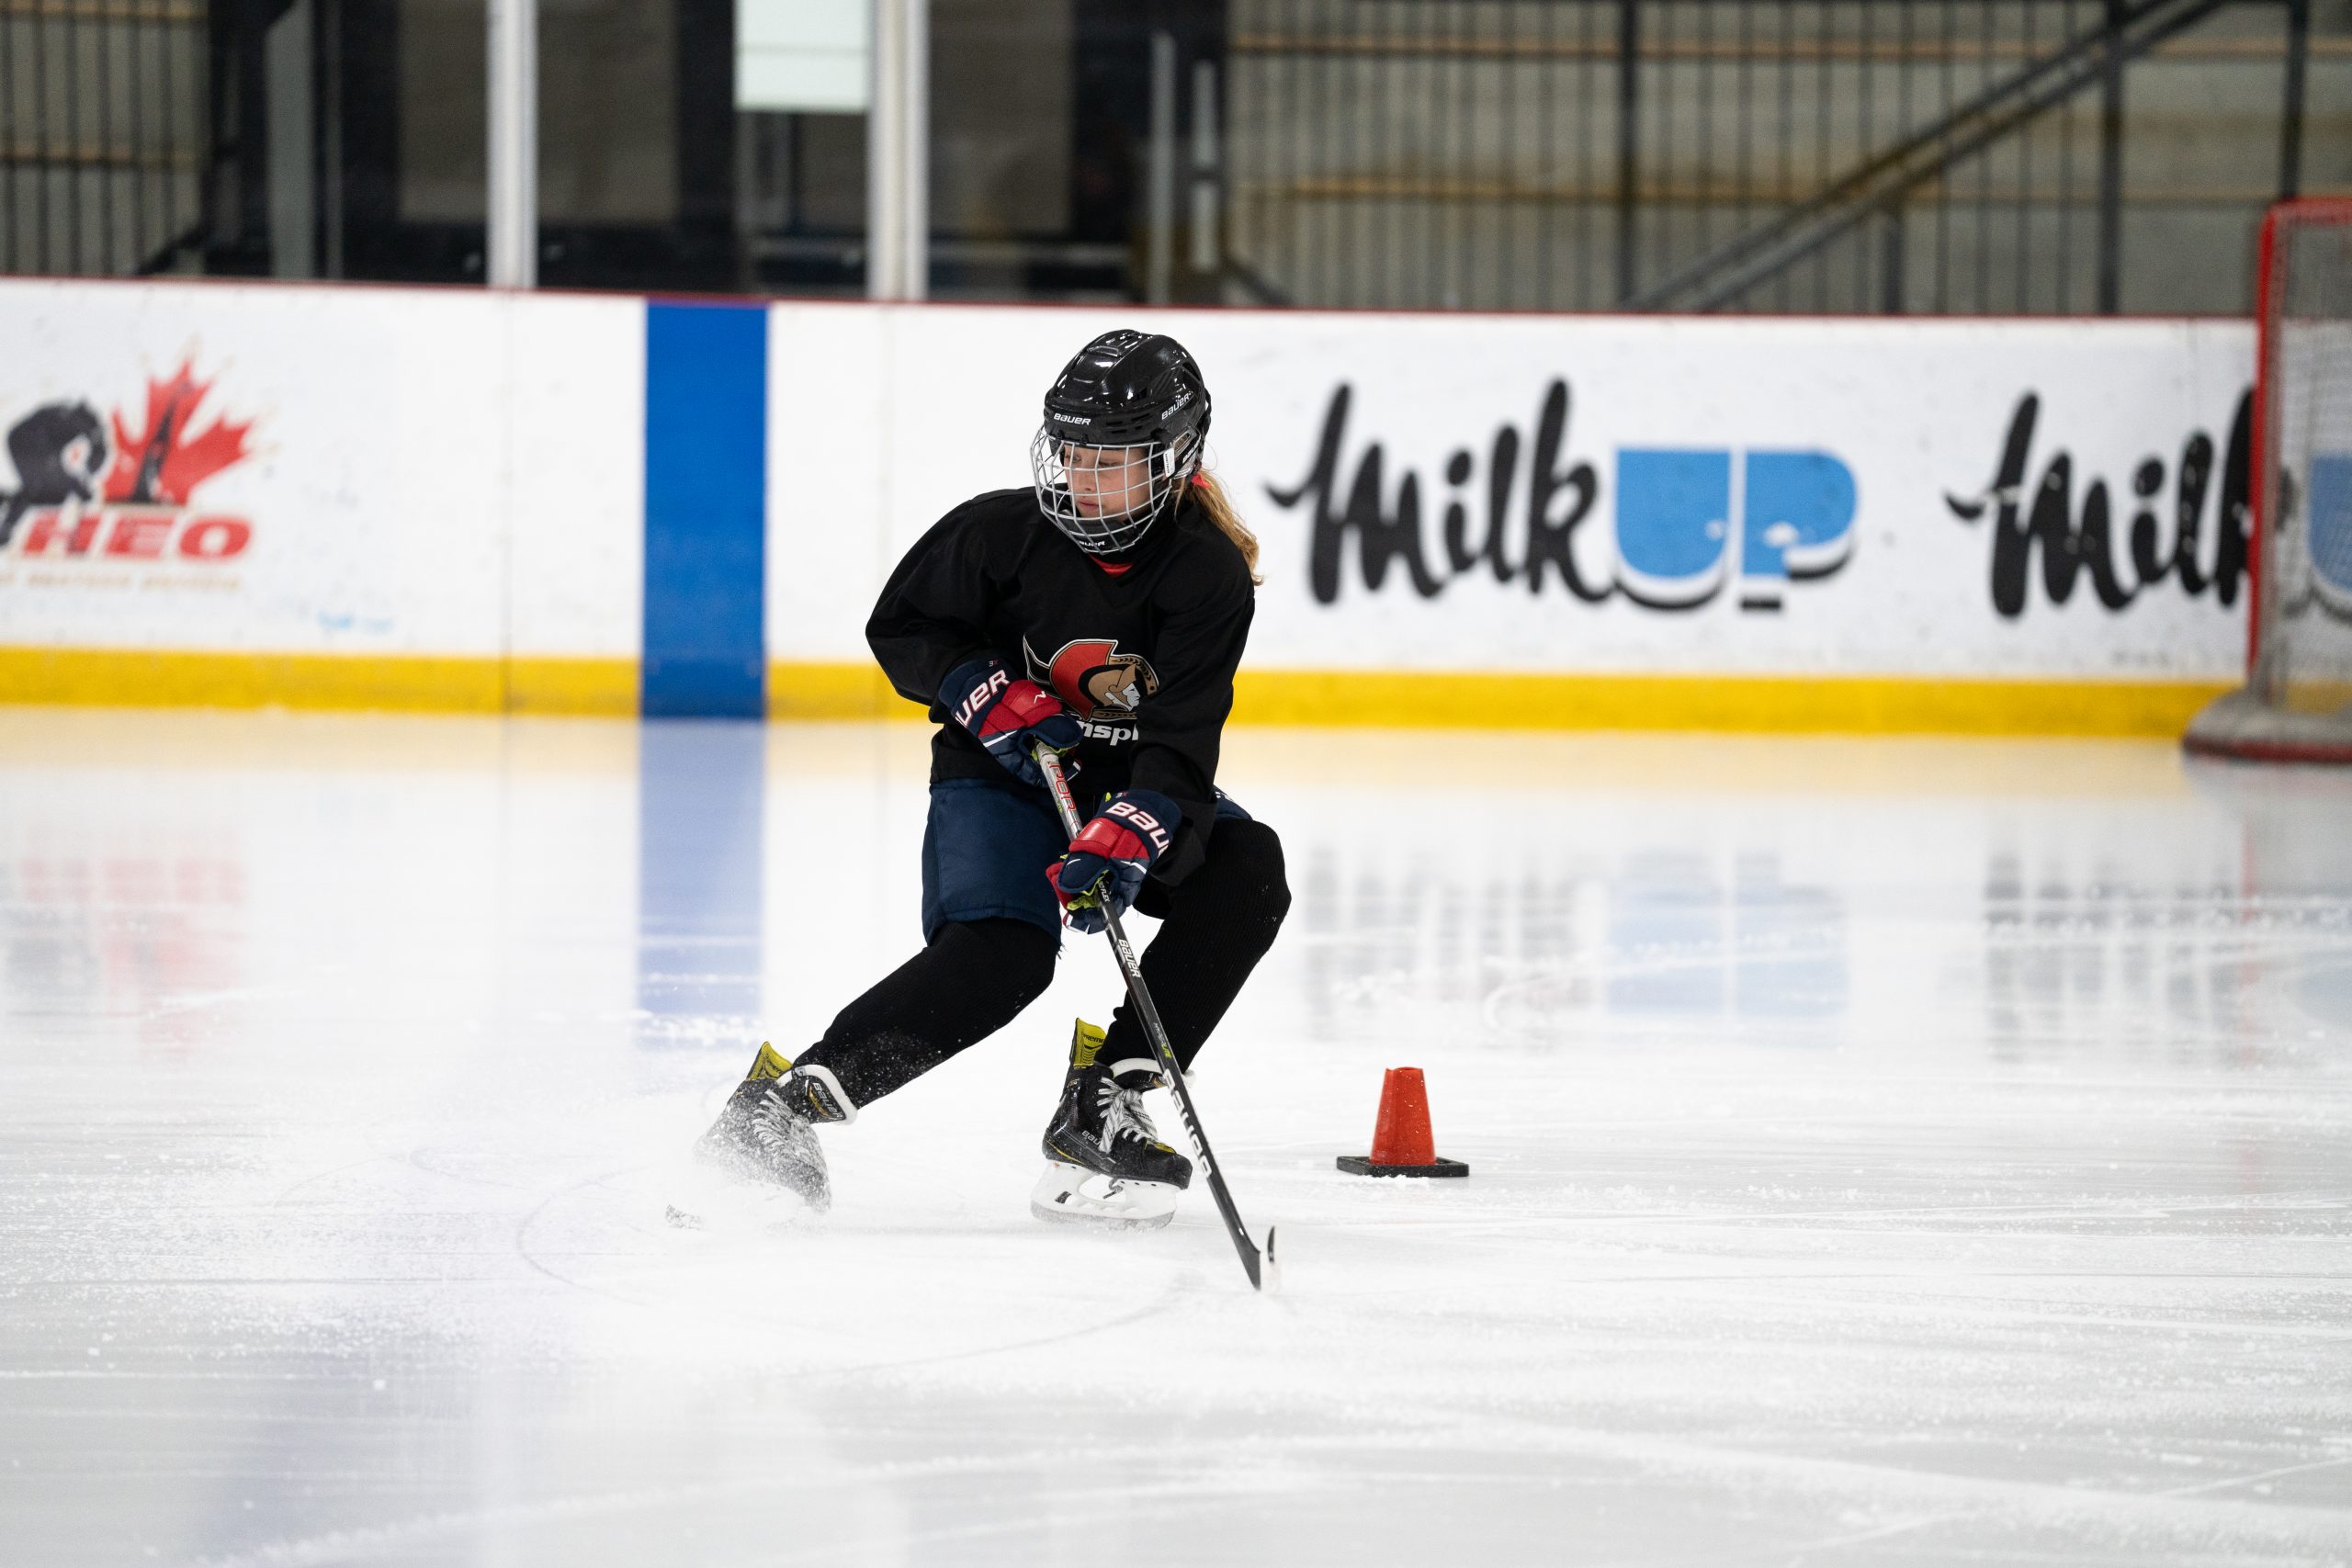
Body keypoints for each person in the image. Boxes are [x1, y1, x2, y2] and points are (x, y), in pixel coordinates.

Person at [695, 330, 1291, 1229]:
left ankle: (1106, 1098)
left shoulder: (1205, 575)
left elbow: (1181, 741)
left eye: (1114, 462)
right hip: (999, 775)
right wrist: (977, 688)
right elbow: (903, 630)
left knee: (1247, 869)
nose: (1086, 479)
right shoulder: (997, 533)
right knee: (1001, 953)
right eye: (1075, 455)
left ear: (1174, 463)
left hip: (1122, 779)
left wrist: (1134, 826)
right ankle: (778, 1111)